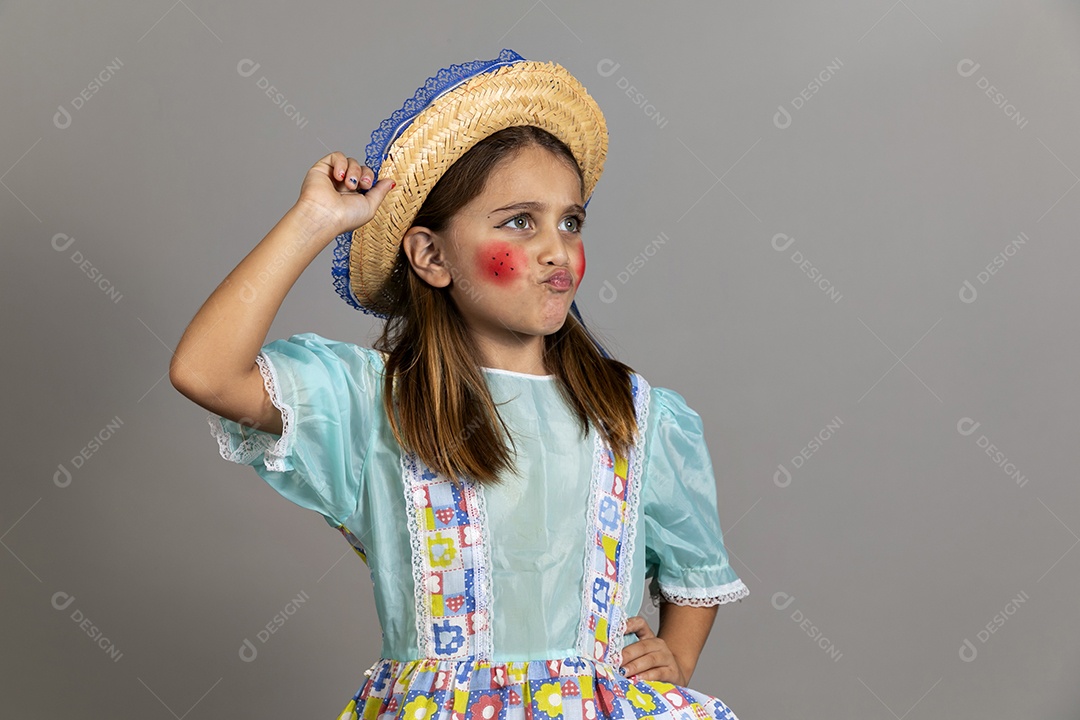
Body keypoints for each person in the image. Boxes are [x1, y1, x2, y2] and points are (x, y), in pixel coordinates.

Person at [171, 49, 749, 720]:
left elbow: (695, 571)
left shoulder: (636, 415)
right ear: (431, 255)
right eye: (518, 222)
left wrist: (673, 660)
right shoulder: (374, 404)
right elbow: (205, 372)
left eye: (571, 221)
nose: (556, 248)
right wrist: (314, 221)